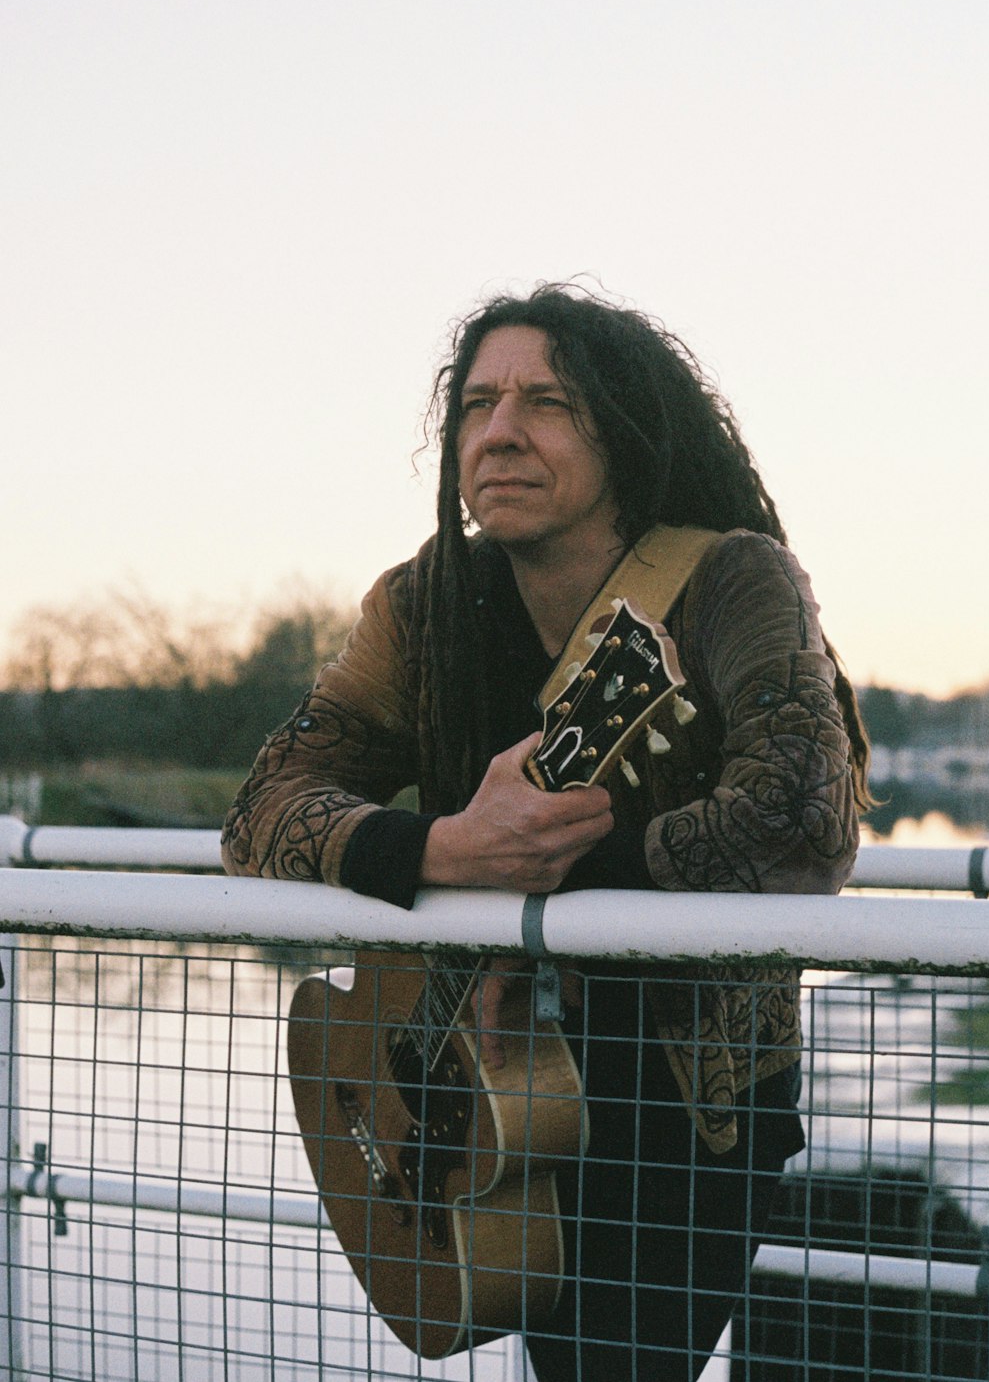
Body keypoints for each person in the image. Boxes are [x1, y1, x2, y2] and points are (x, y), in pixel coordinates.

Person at [222, 284, 870, 1380]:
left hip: (684, 1109)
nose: (501, 432)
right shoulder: (421, 603)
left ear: (621, 430)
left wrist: (553, 881)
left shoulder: (726, 578)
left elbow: (803, 816)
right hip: (475, 1083)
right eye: (476, 406)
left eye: (546, 402)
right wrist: (443, 853)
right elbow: (265, 808)